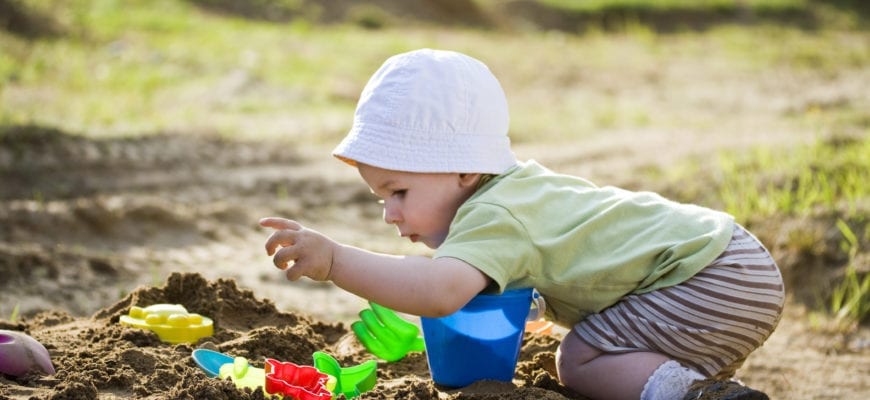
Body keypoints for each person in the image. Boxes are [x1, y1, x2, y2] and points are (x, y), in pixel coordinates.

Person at [259, 48, 784, 400]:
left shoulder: (495, 213)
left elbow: (440, 293)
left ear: (464, 168)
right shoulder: (515, 191)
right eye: (381, 197)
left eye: (399, 191)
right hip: (730, 264)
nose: (390, 213)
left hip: (708, 276)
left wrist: (335, 260)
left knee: (581, 360)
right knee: (604, 350)